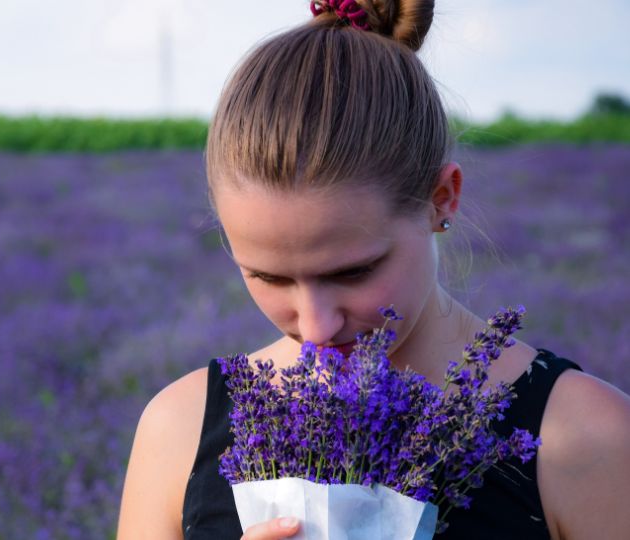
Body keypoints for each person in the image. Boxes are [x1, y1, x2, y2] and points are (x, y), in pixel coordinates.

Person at [116, 1, 630, 538]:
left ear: (442, 198)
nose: (315, 328)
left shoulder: (590, 438)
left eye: (352, 272)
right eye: (269, 277)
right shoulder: (178, 429)